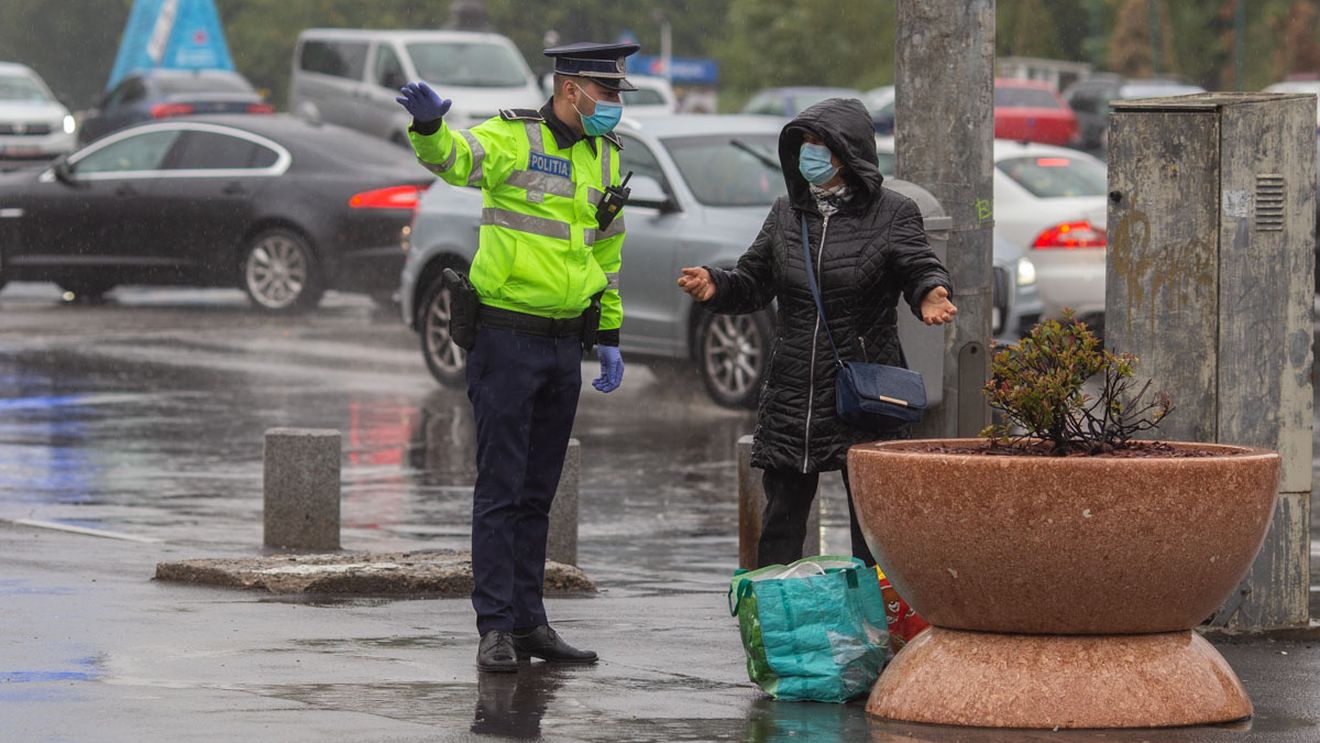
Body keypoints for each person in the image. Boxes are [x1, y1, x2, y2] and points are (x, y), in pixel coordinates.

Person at [395, 40, 638, 672]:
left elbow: (606, 256)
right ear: (570, 90)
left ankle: (531, 622)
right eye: (606, 94)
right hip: (506, 337)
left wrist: (607, 335)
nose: (613, 105)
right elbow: (453, 160)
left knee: (539, 491)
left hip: (564, 343)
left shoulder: (607, 159)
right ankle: (495, 626)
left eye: (615, 95)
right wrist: (428, 126)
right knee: (501, 488)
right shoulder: (512, 137)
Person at [677, 98, 957, 568]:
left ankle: (877, 628)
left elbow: (919, 264)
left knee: (872, 534)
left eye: (820, 145)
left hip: (863, 394)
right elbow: (752, 283)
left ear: (848, 154)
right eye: (804, 144)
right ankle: (775, 626)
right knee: (781, 525)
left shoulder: (893, 213)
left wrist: (931, 291)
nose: (810, 154)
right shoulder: (787, 213)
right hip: (794, 395)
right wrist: (715, 285)